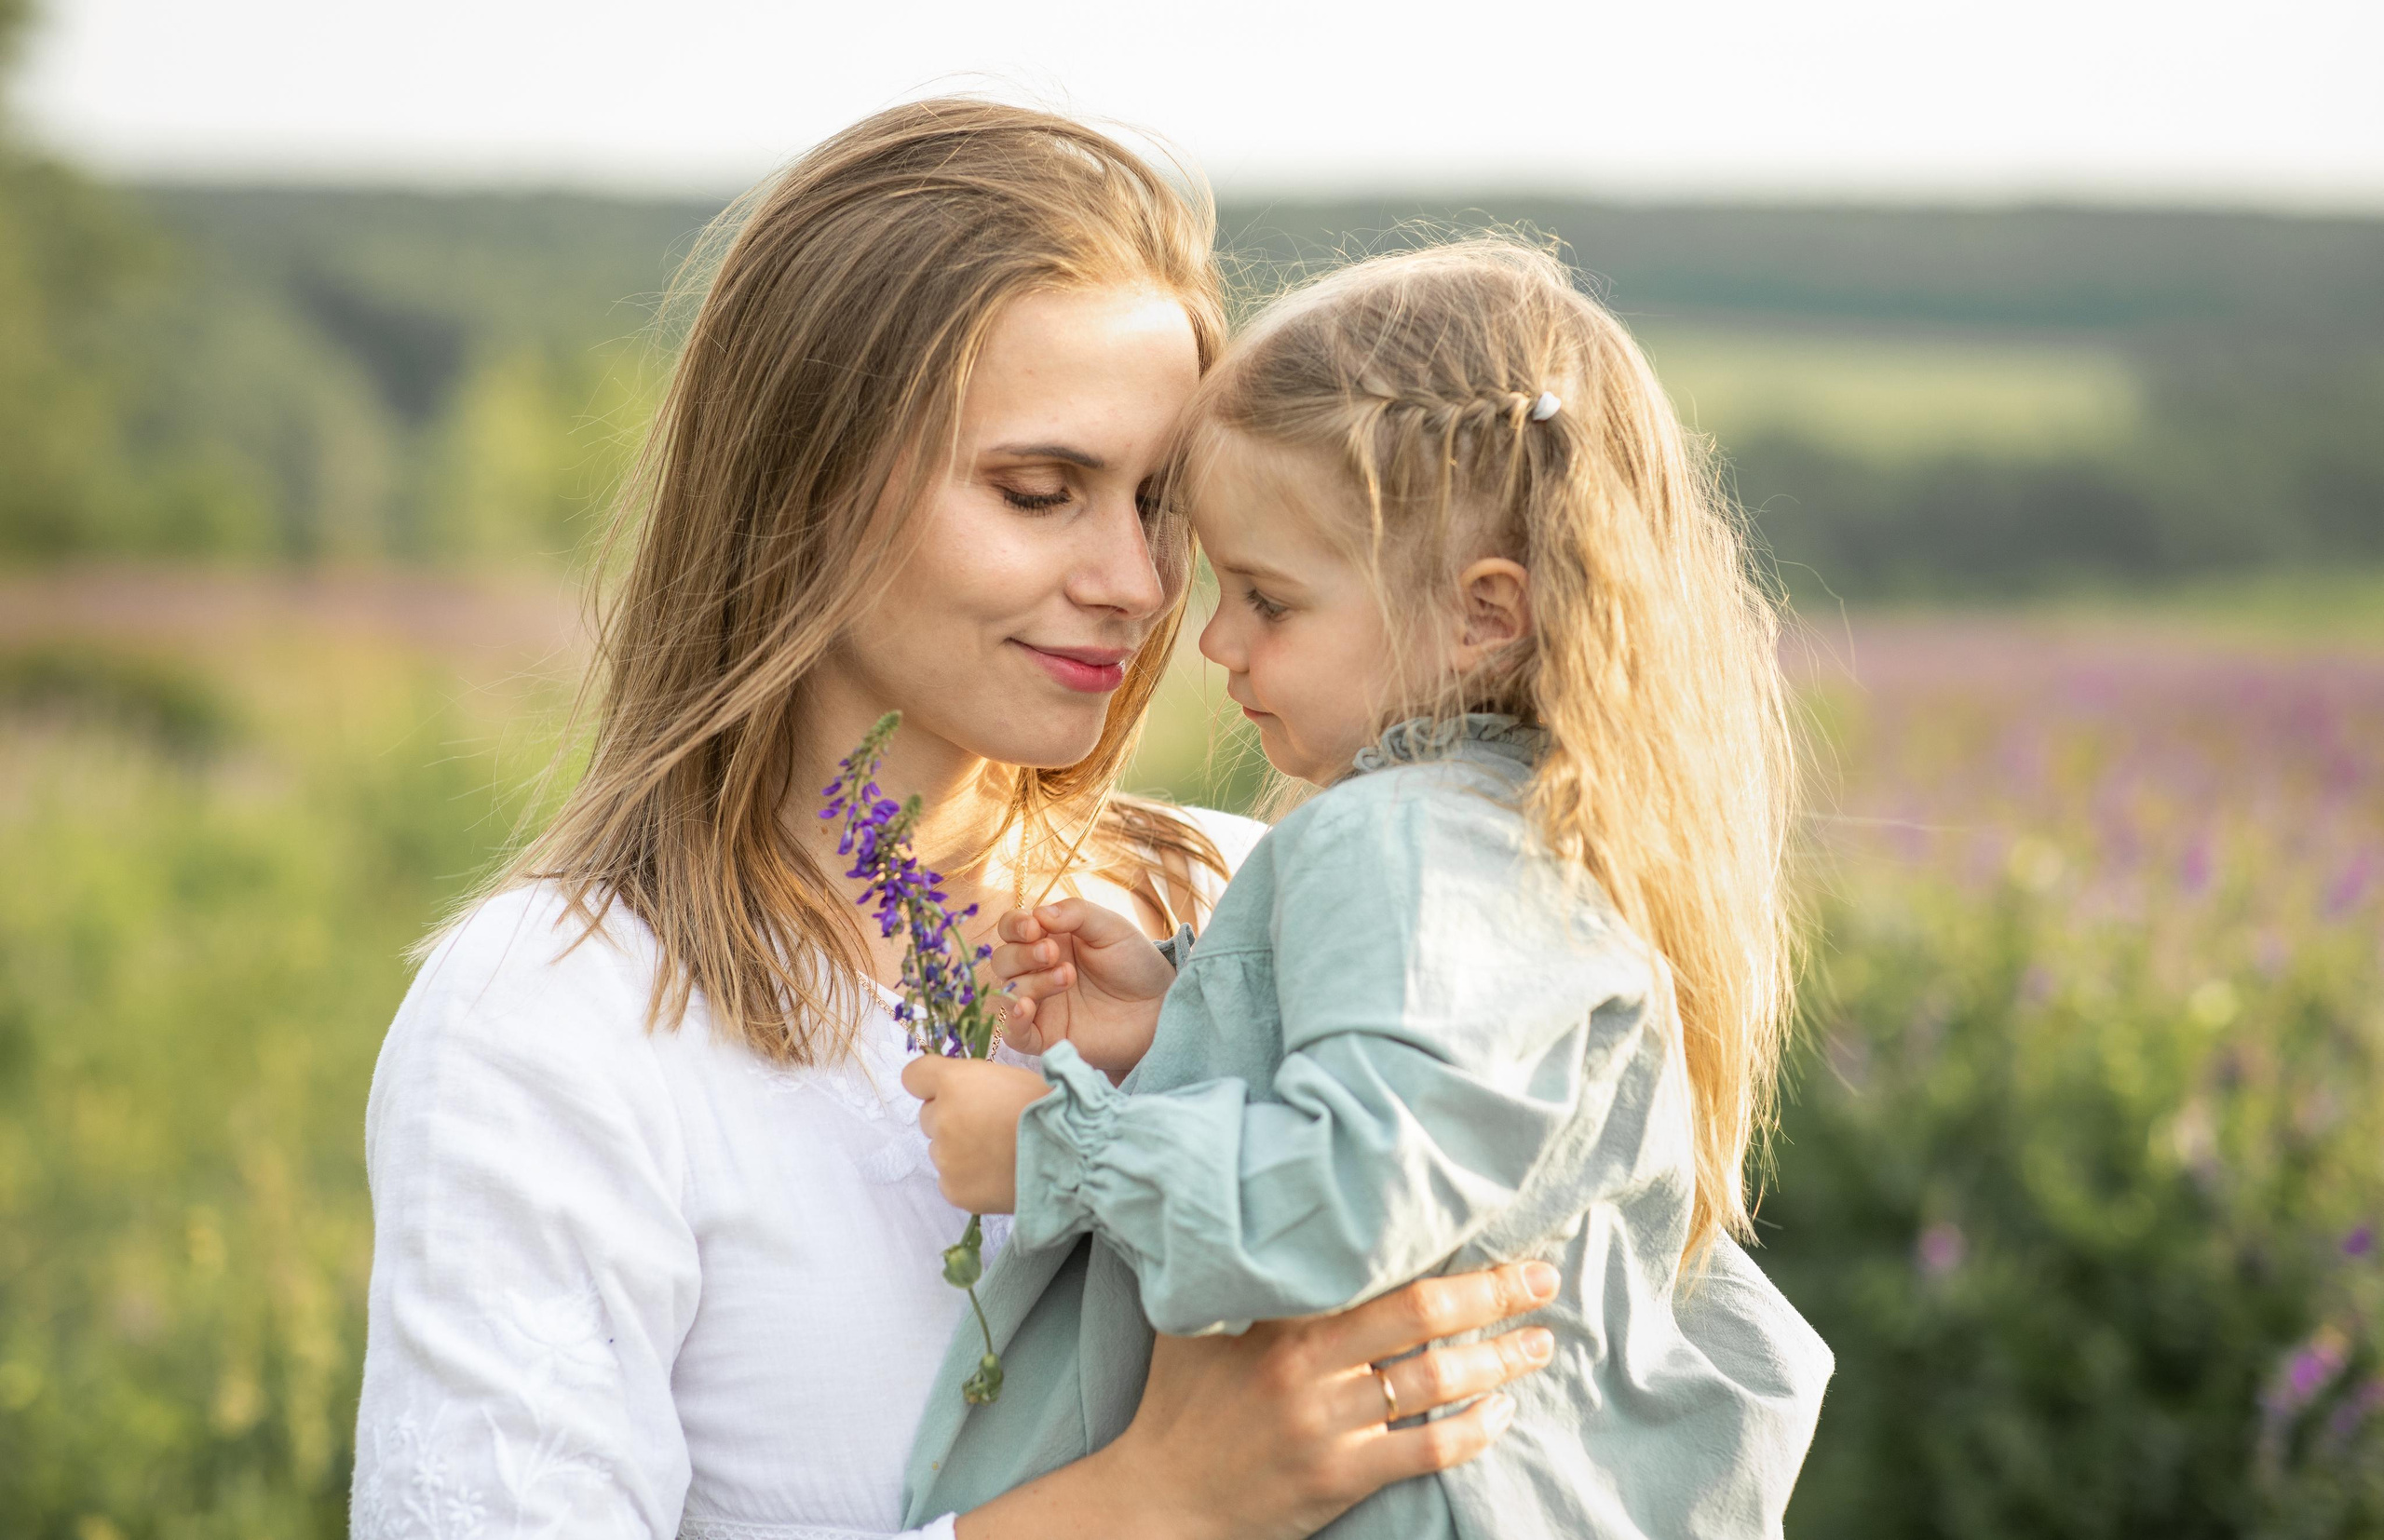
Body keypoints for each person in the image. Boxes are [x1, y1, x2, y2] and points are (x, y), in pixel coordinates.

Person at [348, 103, 1562, 1540]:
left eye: (1162, 504)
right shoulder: (558, 1016)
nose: (1136, 581)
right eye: (1040, 492)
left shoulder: (1252, 897)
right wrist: (1153, 1503)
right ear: (802, 482)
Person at [902, 240, 1834, 1536]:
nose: (1214, 639)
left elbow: (1359, 1190)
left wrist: (1059, 1150)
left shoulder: (1394, 837)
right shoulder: (1537, 834)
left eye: (1270, 600)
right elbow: (1434, 1106)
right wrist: (1191, 1017)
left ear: (1482, 615)